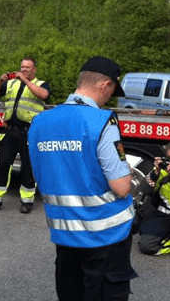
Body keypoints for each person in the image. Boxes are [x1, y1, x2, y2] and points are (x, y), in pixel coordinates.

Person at [28, 56, 137, 300]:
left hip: (65, 234)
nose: (108, 99)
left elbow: (40, 176)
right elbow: (121, 187)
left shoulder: (39, 122)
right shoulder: (101, 121)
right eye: (110, 93)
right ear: (105, 86)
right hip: (106, 235)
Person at [0, 57, 50, 214]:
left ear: (34, 70)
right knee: (3, 165)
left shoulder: (40, 84)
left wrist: (26, 81)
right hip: (10, 131)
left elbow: (43, 95)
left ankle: (27, 201)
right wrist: (1, 81)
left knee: (28, 168)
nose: (24, 70)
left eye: (27, 67)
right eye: (22, 67)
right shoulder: (11, 83)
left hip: (30, 132)